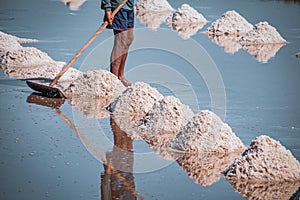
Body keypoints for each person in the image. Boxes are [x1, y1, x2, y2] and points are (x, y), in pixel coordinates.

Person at [101, 0, 135, 87]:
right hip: (118, 6)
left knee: (128, 39)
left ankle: (120, 76)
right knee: (121, 40)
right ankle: (114, 78)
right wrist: (108, 9)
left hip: (129, 6)